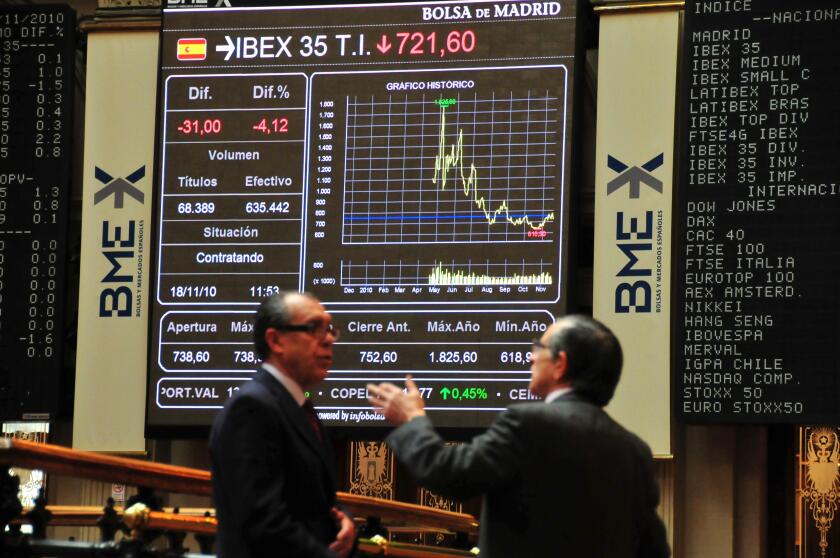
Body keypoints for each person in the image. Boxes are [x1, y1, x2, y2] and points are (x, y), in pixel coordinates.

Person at [367, 315, 669, 558]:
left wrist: (412, 419)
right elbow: (654, 550)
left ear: (560, 364)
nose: (530, 356)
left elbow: (448, 473)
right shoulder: (635, 451)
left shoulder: (529, 423)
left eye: (538, 347)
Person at [209, 291, 356, 558]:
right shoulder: (252, 408)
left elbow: (310, 498)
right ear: (276, 340)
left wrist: (344, 521)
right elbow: (263, 522)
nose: (329, 340)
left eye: (330, 329)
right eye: (314, 328)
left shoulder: (301, 408)